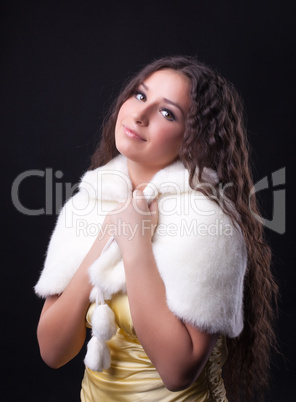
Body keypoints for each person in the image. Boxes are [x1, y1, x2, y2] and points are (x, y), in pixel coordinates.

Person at [35, 55, 278, 401]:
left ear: (193, 139)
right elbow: (53, 351)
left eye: (167, 113)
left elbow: (178, 371)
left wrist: (134, 246)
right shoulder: (88, 204)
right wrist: (107, 235)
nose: (139, 114)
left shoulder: (208, 223)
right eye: (139, 95)